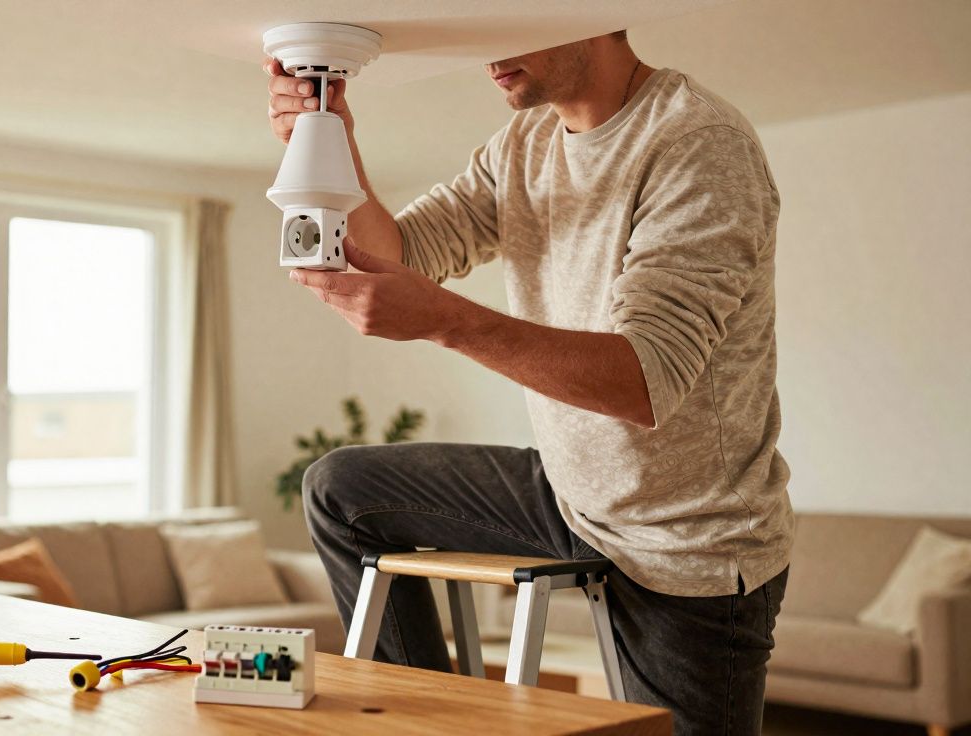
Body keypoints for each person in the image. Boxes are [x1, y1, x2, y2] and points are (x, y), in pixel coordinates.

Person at [264, 29, 793, 736]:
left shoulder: (698, 142)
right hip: (571, 497)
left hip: (686, 539)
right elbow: (402, 253)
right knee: (342, 491)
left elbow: (647, 380)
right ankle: (428, 724)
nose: (488, 54)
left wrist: (445, 322)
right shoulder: (523, 145)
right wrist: (333, 140)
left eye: (511, 26)